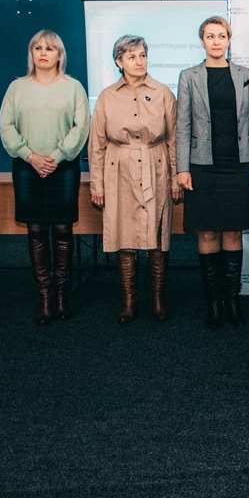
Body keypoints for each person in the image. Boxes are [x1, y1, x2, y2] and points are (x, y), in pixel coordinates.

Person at [0, 30, 90, 325]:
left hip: (63, 167)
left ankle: (62, 295)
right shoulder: (17, 88)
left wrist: (57, 156)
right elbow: (6, 127)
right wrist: (31, 156)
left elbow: (81, 127)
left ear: (60, 55)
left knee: (63, 230)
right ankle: (45, 297)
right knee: (36, 231)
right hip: (27, 167)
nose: (43, 53)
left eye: (49, 48)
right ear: (31, 53)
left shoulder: (73, 87)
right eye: (37, 48)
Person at [89, 35, 180, 323]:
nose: (139, 61)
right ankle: (129, 301)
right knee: (124, 234)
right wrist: (97, 184)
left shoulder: (163, 93)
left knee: (158, 235)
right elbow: (97, 144)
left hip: (156, 165)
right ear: (119, 62)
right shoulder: (107, 96)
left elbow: (174, 139)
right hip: (119, 169)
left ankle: (158, 299)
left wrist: (176, 178)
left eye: (142, 55)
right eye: (132, 57)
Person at [176, 16, 249, 328]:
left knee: (233, 232)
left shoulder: (245, 75)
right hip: (202, 166)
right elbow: (182, 126)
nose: (215, 41)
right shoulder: (189, 76)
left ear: (228, 39)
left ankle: (233, 301)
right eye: (210, 36)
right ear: (202, 41)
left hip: (239, 165)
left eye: (221, 36)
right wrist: (182, 168)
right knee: (208, 232)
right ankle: (214, 302)